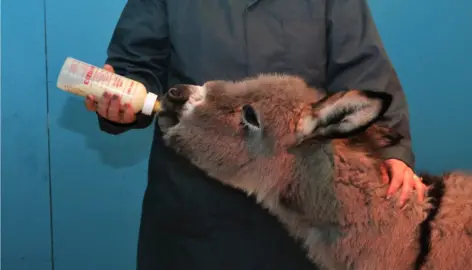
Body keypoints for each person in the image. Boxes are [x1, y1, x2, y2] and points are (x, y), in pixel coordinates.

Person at [85, 0, 426, 269]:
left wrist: (394, 152)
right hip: (194, 208)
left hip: (299, 216)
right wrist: (123, 98)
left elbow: (367, 77)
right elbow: (137, 68)